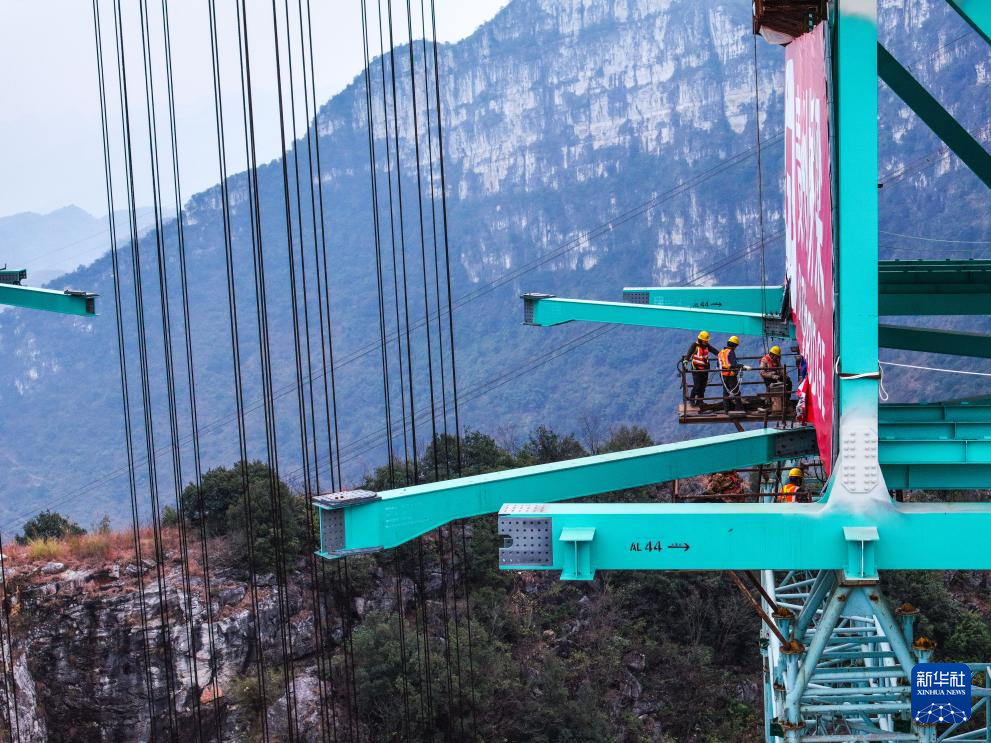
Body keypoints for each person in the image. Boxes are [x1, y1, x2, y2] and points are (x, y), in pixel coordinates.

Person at [718, 336, 750, 412]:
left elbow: (718, 364)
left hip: (723, 375)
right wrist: (743, 366)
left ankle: (726, 409)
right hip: (730, 375)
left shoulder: (721, 352)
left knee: (725, 392)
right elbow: (733, 364)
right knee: (736, 392)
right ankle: (739, 409)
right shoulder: (731, 352)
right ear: (734, 345)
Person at [683, 330, 714, 409]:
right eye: (705, 341)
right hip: (696, 369)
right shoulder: (695, 345)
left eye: (707, 341)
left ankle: (700, 401)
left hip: (705, 369)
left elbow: (715, 351)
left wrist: (722, 354)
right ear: (701, 340)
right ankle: (692, 399)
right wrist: (686, 361)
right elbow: (689, 354)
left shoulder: (707, 346)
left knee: (703, 386)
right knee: (697, 386)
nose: (706, 342)